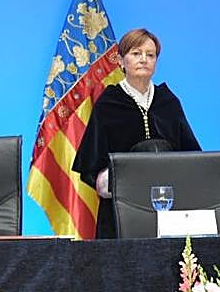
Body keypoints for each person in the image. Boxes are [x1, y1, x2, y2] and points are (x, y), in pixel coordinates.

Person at [72, 27, 201, 238]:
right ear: (121, 61)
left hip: (168, 210)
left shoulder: (168, 102)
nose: (144, 59)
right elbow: (92, 167)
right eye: (136, 53)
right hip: (121, 213)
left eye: (150, 55)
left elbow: (191, 157)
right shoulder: (108, 104)